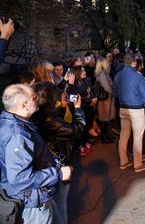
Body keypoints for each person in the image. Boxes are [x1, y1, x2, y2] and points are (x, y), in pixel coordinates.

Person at [0, 84, 73, 224]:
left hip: (34, 196)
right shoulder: (17, 136)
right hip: (32, 203)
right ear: (24, 105)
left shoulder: (9, 120)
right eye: (34, 98)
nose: (38, 100)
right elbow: (20, 177)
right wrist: (59, 174)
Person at [32, 82, 85, 224]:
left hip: (48, 163)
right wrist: (79, 110)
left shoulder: (39, 114)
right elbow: (77, 129)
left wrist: (61, 107)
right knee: (60, 201)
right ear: (50, 98)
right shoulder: (48, 119)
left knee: (57, 202)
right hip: (56, 164)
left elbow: (56, 122)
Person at [113, 53, 145, 172]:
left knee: (123, 136)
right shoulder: (138, 77)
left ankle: (123, 161)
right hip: (136, 109)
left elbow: (115, 93)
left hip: (123, 108)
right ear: (133, 62)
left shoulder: (118, 76)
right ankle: (137, 164)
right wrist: (139, 102)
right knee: (137, 137)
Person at [95, 57, 117, 143]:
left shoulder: (104, 73)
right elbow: (107, 87)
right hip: (105, 100)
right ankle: (104, 138)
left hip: (107, 99)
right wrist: (114, 93)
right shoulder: (102, 74)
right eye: (106, 63)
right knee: (104, 119)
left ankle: (107, 136)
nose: (108, 64)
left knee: (106, 119)